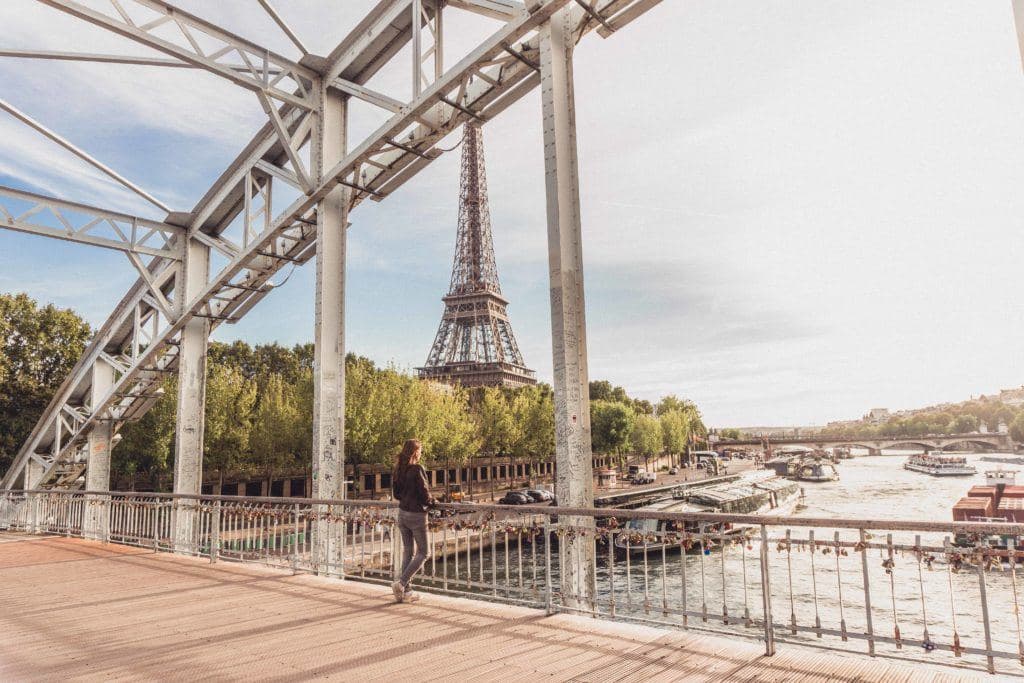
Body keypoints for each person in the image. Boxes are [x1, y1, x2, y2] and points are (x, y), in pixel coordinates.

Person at [391, 438, 435, 603]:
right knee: (424, 552)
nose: (421, 453)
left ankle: (407, 592)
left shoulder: (398, 469)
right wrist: (433, 502)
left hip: (402, 513)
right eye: (421, 450)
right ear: (416, 452)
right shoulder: (417, 469)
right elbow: (425, 494)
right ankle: (401, 583)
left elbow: (397, 495)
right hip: (416, 515)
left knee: (408, 551)